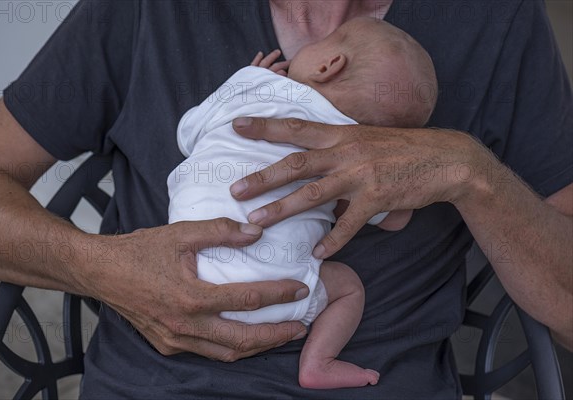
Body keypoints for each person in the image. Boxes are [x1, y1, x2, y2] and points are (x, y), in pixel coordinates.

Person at [0, 1, 570, 399]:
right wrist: (102, 269)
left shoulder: (496, 22)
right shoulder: (150, 11)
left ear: (330, 61)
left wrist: (468, 171)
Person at [167, 17, 436, 389]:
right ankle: (318, 363)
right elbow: (395, 220)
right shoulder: (355, 153)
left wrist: (242, 82)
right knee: (347, 287)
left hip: (184, 280)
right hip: (280, 301)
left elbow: (187, 135)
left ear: (329, 65)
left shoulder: (254, 86)